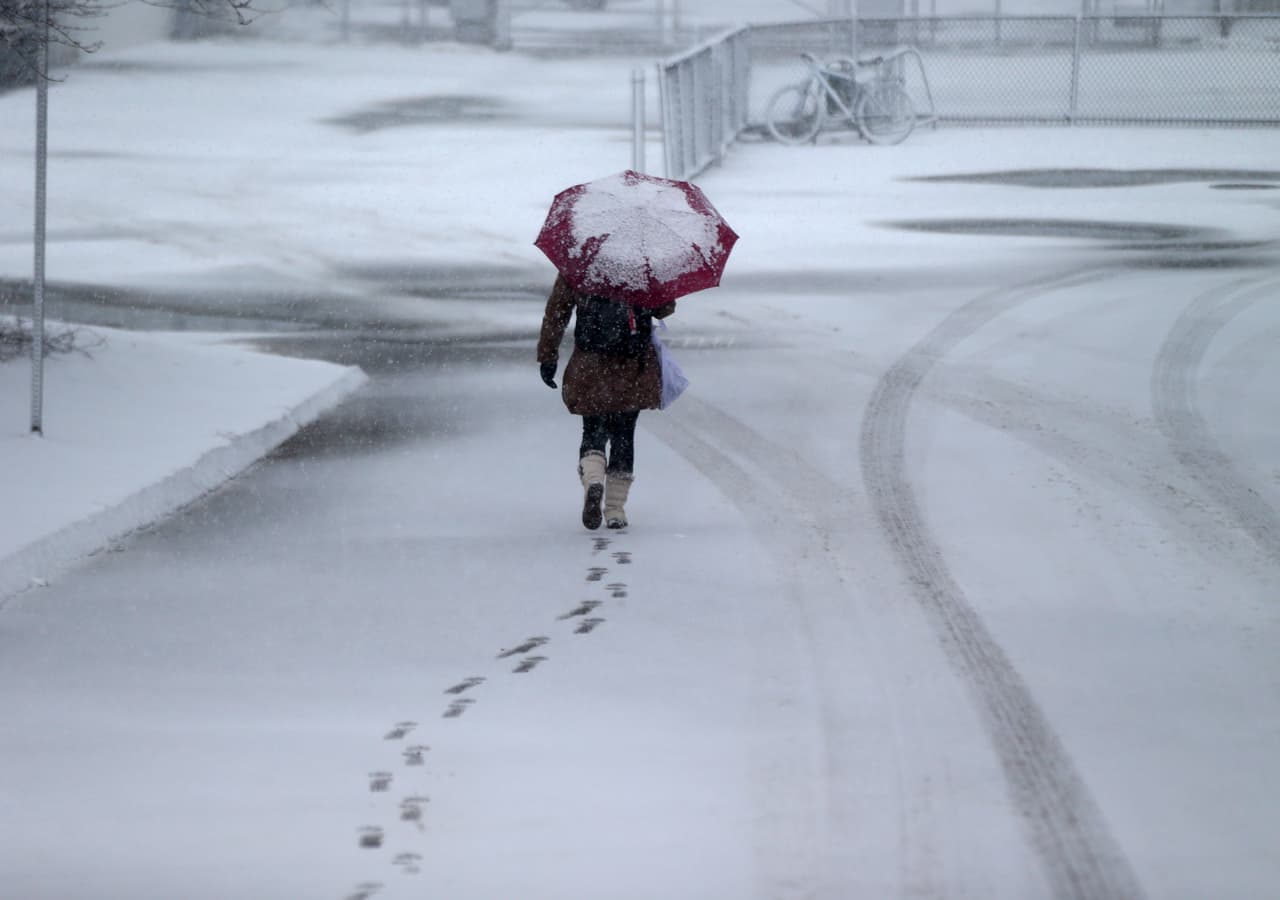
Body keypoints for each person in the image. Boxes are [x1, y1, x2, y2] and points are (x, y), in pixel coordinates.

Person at [537, 274, 677, 530]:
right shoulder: (642, 264)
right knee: (624, 434)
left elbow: (557, 310)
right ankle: (615, 509)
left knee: (593, 430)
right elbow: (664, 308)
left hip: (591, 363)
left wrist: (548, 356)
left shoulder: (579, 262)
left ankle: (593, 481)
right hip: (632, 364)